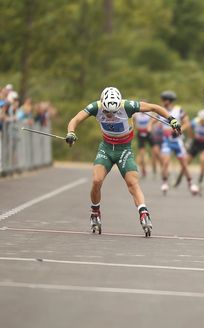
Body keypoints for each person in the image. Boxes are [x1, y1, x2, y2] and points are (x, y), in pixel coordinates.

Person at [65, 87, 181, 237]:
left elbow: (154, 107)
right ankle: (95, 211)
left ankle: (143, 212)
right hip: (106, 149)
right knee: (96, 180)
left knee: (132, 183)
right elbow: (75, 119)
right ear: (102, 103)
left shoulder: (127, 106)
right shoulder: (96, 107)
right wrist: (71, 132)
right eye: (107, 112)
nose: (110, 115)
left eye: (113, 112)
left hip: (124, 149)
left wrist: (171, 119)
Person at [158, 90, 197, 195]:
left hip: (177, 141)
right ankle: (165, 182)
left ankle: (191, 183)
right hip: (166, 141)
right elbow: (154, 121)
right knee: (165, 161)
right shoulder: (161, 110)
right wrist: (149, 127)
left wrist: (180, 130)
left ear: (168, 100)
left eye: (163, 100)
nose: (162, 102)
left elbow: (187, 123)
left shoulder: (179, 110)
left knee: (184, 163)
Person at [174, 109, 204, 192]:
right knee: (186, 162)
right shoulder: (195, 121)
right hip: (196, 143)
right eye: (201, 120)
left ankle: (200, 181)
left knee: (203, 159)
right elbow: (189, 128)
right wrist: (191, 137)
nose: (203, 122)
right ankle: (178, 179)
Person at [133, 111, 156, 178]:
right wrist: (134, 127)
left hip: (149, 134)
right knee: (142, 154)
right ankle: (143, 171)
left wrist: (150, 124)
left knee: (155, 151)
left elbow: (155, 118)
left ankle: (154, 169)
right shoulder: (136, 114)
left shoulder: (150, 113)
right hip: (140, 134)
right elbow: (132, 120)